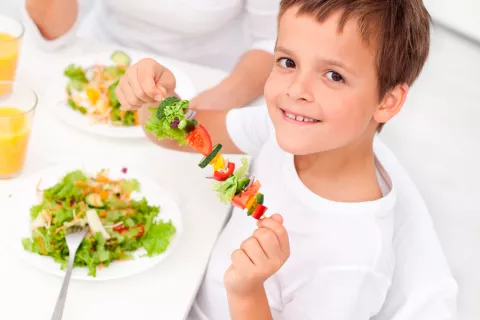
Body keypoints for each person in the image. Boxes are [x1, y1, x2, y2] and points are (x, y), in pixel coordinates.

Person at [116, 0, 457, 319]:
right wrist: (154, 96)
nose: (296, 90)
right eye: (288, 62)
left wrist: (248, 293)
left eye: (334, 75)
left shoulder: (351, 262)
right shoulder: (281, 130)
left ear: (387, 100)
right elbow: (176, 133)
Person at [24, 0, 279, 110]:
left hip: (209, 86)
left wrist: (205, 106)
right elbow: (54, 36)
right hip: (99, 73)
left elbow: (273, 42)